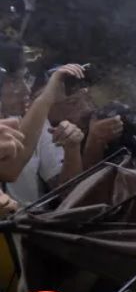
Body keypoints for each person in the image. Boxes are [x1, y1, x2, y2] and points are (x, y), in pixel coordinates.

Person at [0, 48, 86, 204]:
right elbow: (10, 168)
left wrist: (72, 148)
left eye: (25, 78)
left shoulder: (34, 123)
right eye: (14, 82)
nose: (26, 90)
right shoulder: (36, 116)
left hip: (28, 219)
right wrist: (48, 95)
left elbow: (69, 193)